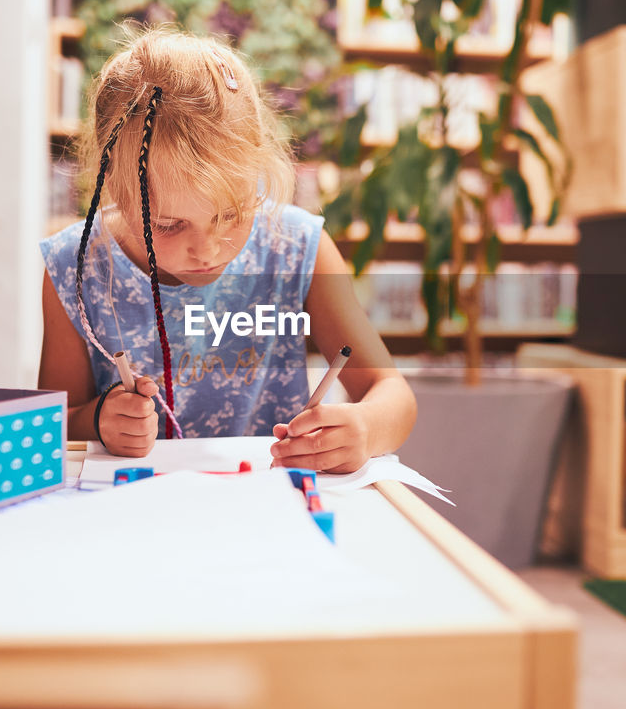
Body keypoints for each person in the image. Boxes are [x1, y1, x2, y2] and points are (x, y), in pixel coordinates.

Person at [38, 25, 416, 473]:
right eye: (169, 224)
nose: (207, 248)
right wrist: (97, 419)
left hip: (272, 506)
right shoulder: (74, 268)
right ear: (116, 190)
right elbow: (49, 426)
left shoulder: (296, 249)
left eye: (233, 213)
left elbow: (395, 397)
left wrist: (366, 428)